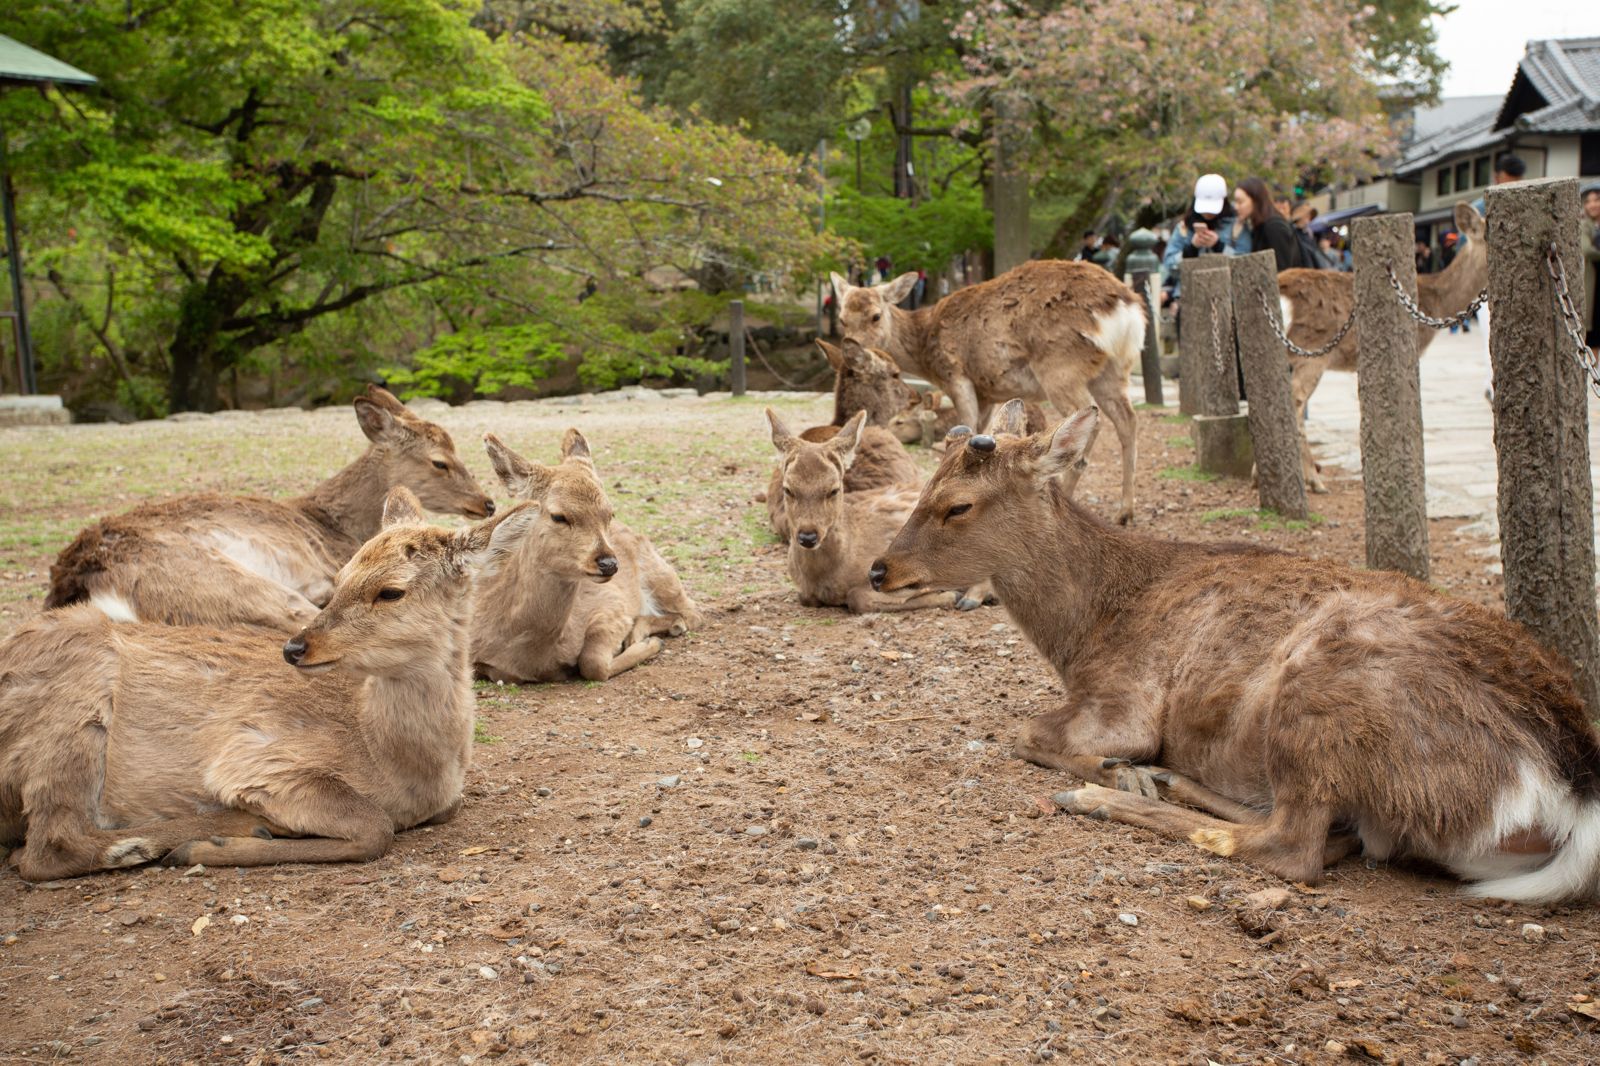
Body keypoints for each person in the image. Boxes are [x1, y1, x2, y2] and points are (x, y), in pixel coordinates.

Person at [1160, 173, 1244, 298]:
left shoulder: (1237, 225)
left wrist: (1219, 246)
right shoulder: (1184, 228)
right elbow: (1169, 266)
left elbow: (1245, 264)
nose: (1208, 213)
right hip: (1188, 296)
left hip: (1227, 296)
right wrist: (1191, 248)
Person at [1233, 177, 1303, 272]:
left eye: (1240, 202)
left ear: (1255, 200)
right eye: (1235, 202)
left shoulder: (1274, 227)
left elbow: (1283, 271)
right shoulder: (1258, 226)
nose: (1236, 207)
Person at [1582, 180, 1600, 350]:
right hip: (1593, 286)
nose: (1592, 205)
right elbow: (1587, 250)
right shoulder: (1584, 226)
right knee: (1593, 339)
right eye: (1588, 201)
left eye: (1596, 200)